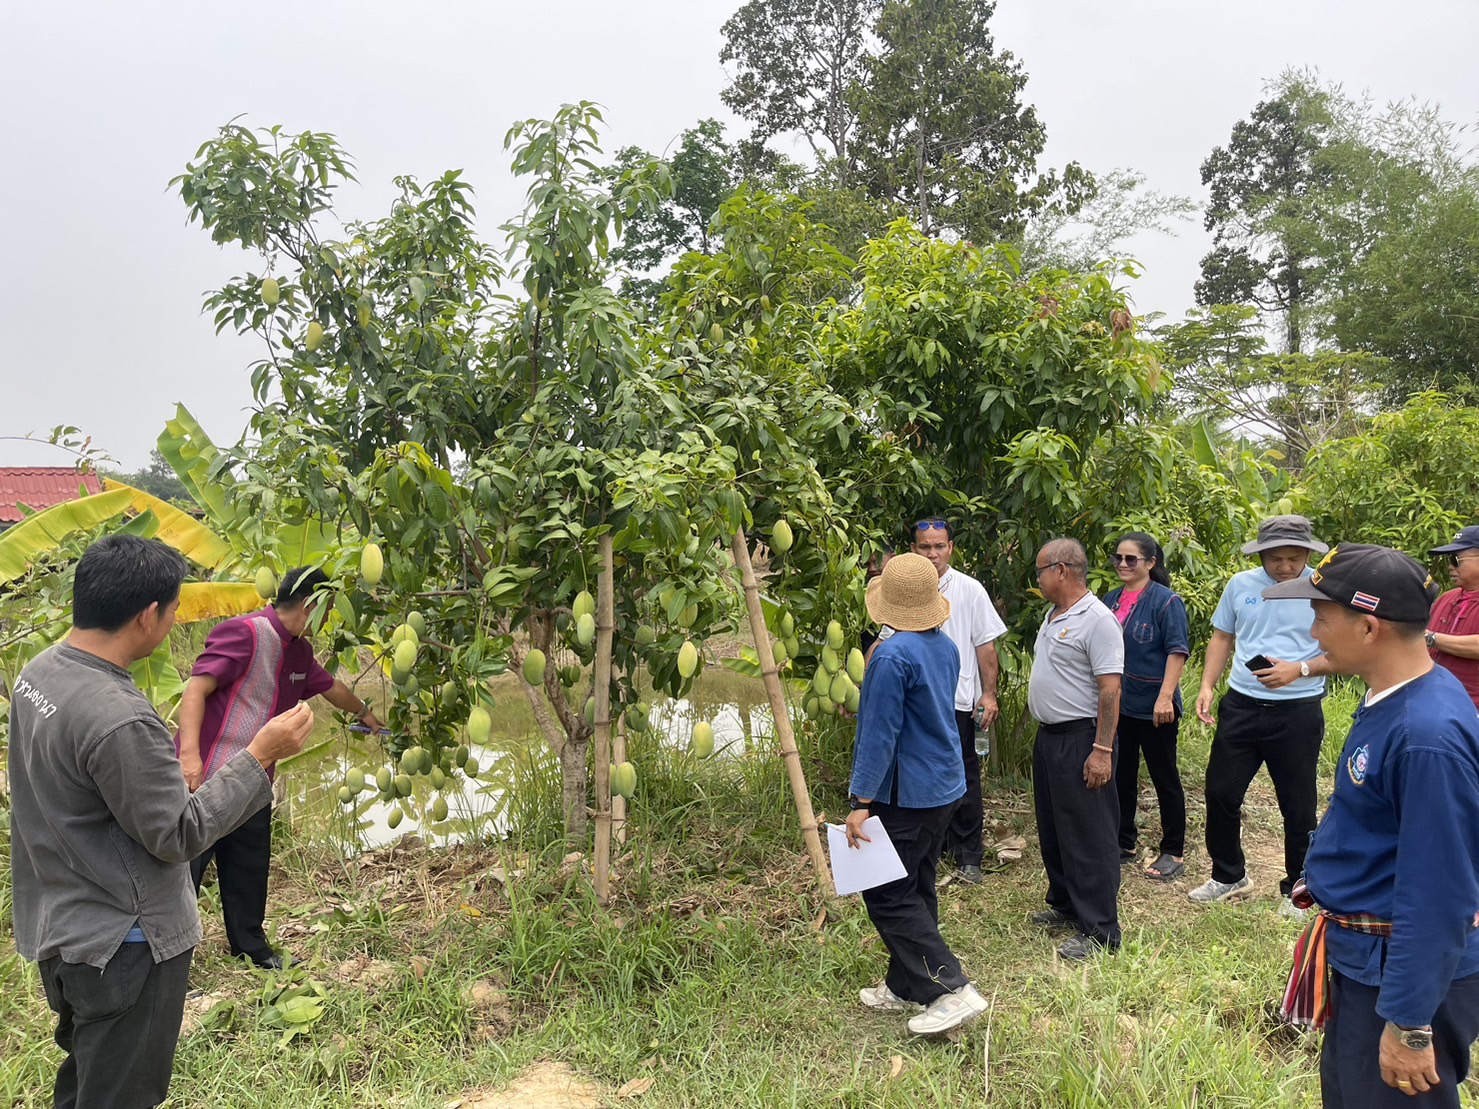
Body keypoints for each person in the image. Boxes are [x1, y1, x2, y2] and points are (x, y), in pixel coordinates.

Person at [9, 535, 315, 1109]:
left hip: (63, 926)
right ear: (149, 615)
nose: (175, 621)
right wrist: (260, 755)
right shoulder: (120, 718)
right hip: (124, 945)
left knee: (88, 1083)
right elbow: (179, 834)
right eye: (174, 610)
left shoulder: (40, 673)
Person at [1269, 544, 1479, 1107]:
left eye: (1321, 617)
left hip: (1401, 980)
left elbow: (1440, 893)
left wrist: (1409, 1024)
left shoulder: (1426, 735)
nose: (1313, 633)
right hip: (1366, 963)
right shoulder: (1395, 700)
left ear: (1368, 627)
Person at [176, 566, 383, 969]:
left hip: (253, 779)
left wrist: (366, 713)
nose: (328, 620)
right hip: (207, 778)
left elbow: (329, 687)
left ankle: (250, 948)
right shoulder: (245, 632)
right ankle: (166, 952)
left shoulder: (300, 651)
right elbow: (196, 688)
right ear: (310, 606)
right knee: (183, 869)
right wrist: (188, 756)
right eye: (327, 609)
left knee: (248, 866)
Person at [845, 552, 989, 1036]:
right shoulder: (942, 645)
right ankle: (906, 982)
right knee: (918, 881)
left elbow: (879, 733)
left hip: (907, 792)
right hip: (945, 783)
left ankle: (949, 989)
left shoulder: (890, 657)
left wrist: (862, 801)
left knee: (888, 894)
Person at [1191, 515, 1334, 909]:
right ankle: (1228, 874)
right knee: (1221, 792)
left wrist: (1298, 669)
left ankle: (1299, 888)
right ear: (1262, 555)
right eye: (1276, 558)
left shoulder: (1324, 589)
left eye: (1294, 557)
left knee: (1297, 803)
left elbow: (1340, 653)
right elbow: (1223, 636)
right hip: (1241, 705)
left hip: (1298, 711)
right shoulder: (1241, 585)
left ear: (1308, 553)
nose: (1285, 566)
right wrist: (1207, 685)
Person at [1026, 538, 1125, 960]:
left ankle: (1101, 929)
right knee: (1054, 828)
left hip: (1082, 738)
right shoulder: (1054, 616)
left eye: (1040, 571)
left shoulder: (1097, 620)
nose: (1038, 579)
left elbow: (1110, 690)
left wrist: (1102, 748)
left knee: (1088, 834)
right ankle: (1066, 903)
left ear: (1061, 570)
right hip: (1050, 737)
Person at [909, 517, 1007, 884]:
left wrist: (989, 693)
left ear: (950, 548)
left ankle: (968, 855)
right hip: (916, 706)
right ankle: (931, 849)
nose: (932, 554)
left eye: (939, 546)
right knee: (920, 777)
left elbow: (986, 645)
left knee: (964, 777)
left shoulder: (969, 590)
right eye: (925, 546)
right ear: (914, 549)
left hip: (958, 703)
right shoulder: (903, 590)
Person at [1102, 532, 1191, 882]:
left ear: (1151, 563)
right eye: (1118, 558)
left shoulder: (1166, 602)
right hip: (1120, 704)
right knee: (1121, 774)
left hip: (1155, 706)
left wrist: (1166, 696)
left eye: (1131, 559)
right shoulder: (1110, 599)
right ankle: (1124, 841)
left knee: (1164, 777)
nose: (1123, 564)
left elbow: (1177, 650)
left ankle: (1174, 850)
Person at [1424, 525, 1479, 711]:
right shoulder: (1447, 598)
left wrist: (1431, 638)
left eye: (1456, 560)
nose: (1450, 566)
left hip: (1473, 709)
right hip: (1434, 703)